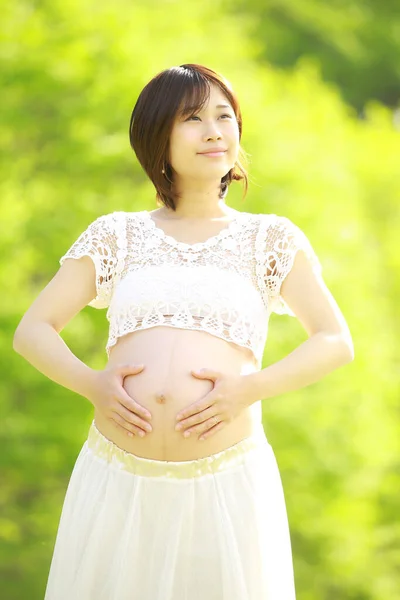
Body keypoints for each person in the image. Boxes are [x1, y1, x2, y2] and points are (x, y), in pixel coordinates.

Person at [13, 63, 354, 600]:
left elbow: (335, 341)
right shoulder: (118, 235)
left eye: (224, 115)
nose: (214, 130)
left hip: (229, 481)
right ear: (157, 137)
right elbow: (33, 330)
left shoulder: (267, 238)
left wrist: (249, 389)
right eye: (193, 118)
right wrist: (92, 385)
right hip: (117, 477)